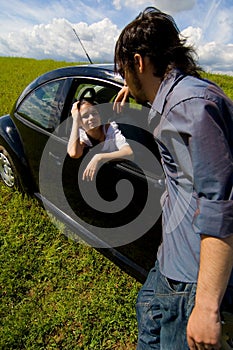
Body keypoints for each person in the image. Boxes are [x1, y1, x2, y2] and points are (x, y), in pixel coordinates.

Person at [114, 6, 233, 350]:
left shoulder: (188, 106)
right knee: (147, 306)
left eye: (124, 72)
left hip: (191, 280)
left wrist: (207, 306)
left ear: (139, 62)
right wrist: (136, 93)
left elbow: (219, 204)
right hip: (172, 262)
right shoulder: (181, 96)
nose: (123, 81)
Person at [67, 99, 133, 181]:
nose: (91, 118)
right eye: (85, 116)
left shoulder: (110, 129)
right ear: (80, 122)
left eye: (94, 113)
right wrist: (75, 119)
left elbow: (129, 152)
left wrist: (99, 157)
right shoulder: (82, 134)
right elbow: (74, 153)